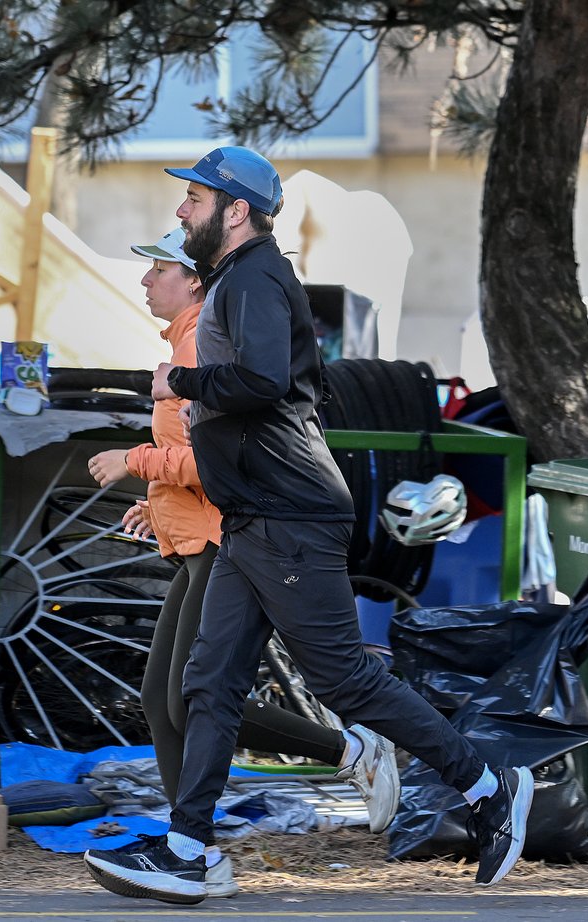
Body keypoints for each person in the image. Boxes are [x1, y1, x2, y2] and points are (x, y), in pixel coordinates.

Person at [84, 147, 533, 905]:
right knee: (209, 682)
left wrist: (182, 381)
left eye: (193, 198)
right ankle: (188, 849)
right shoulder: (241, 279)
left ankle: (490, 787)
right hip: (254, 513)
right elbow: (288, 386)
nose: (181, 211)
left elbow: (262, 383)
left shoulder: (256, 276)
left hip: (290, 514)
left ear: (235, 209)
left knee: (343, 678)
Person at [84, 227, 400, 899]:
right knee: (161, 699)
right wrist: (158, 500)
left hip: (233, 541)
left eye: (158, 269)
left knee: (196, 696)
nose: (144, 281)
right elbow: (193, 462)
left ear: (193, 280)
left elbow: (217, 458)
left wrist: (135, 463)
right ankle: (188, 847)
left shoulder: (202, 345)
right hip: (199, 539)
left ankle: (349, 751)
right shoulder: (182, 344)